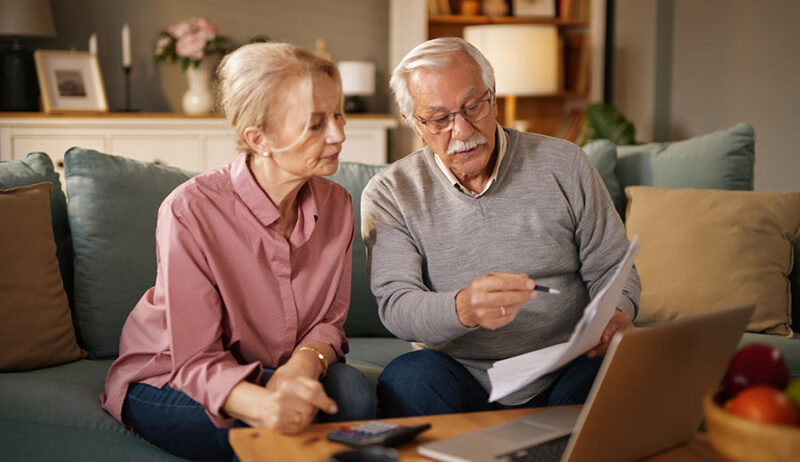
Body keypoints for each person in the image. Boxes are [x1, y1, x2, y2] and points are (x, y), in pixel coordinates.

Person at [101, 42, 375, 460]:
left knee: (352, 395)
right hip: (171, 376)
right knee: (266, 429)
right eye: (316, 124)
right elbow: (194, 362)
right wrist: (265, 405)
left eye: (338, 115)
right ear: (258, 138)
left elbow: (327, 325)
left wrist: (301, 366)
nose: (339, 134)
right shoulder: (190, 209)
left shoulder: (337, 204)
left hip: (270, 368)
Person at [361, 37, 641, 417]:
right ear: (415, 124)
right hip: (458, 372)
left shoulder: (566, 164)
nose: (462, 130)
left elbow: (613, 267)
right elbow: (397, 305)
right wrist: (464, 308)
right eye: (440, 119)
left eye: (473, 106)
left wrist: (618, 311)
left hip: (568, 364)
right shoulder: (391, 192)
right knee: (408, 379)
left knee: (616, 371)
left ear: (492, 98)